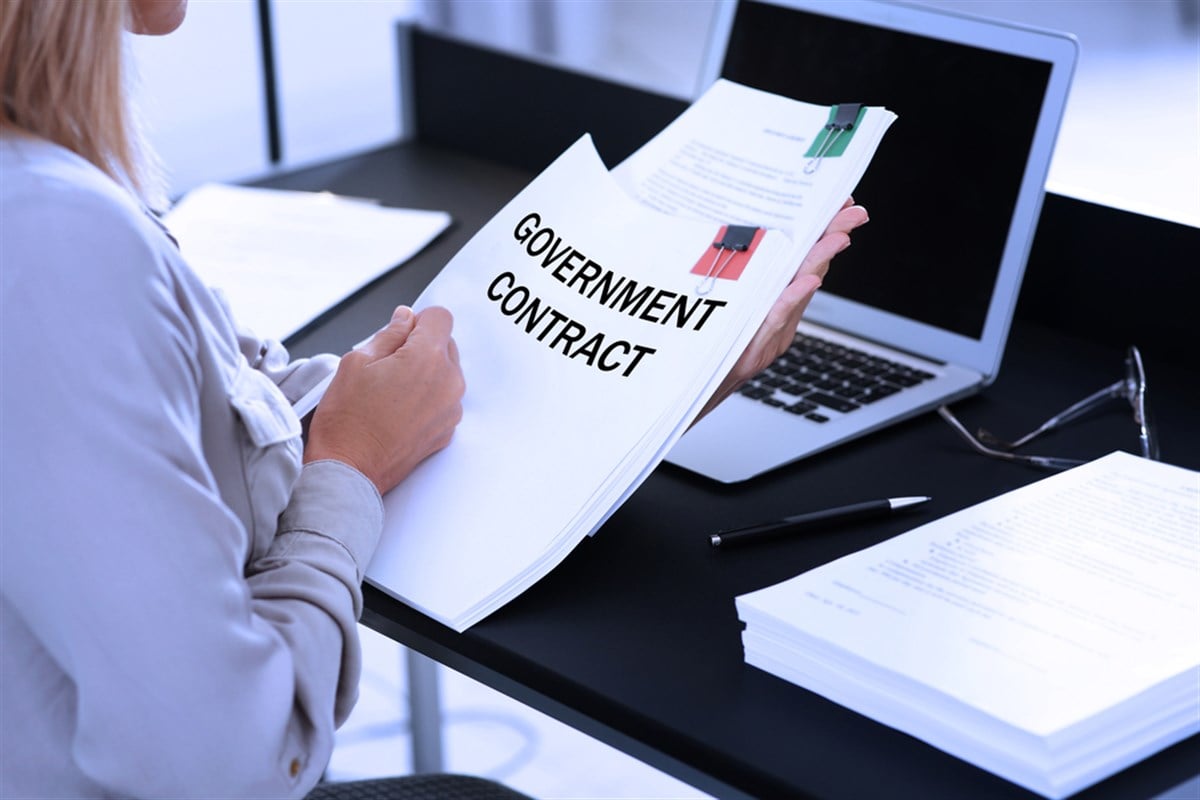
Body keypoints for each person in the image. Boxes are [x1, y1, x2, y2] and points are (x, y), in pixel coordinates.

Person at [0, 1, 868, 798]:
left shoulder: (51, 189)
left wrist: (684, 369)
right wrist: (350, 468)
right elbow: (230, 761)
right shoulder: (54, 243)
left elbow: (230, 426)